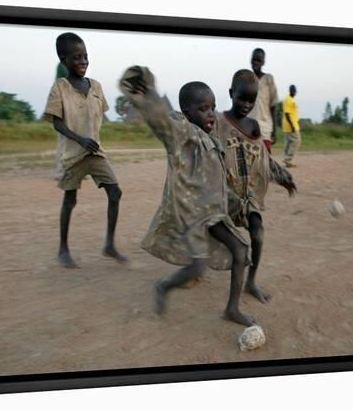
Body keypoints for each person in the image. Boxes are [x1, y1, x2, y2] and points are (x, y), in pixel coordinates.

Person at [119, 65, 258, 327]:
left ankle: (232, 309)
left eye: (213, 107)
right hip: (194, 217)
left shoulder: (212, 139)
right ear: (187, 113)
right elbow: (161, 119)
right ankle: (164, 286)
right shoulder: (182, 135)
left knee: (241, 250)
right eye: (203, 109)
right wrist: (147, 94)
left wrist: (238, 203)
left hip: (214, 213)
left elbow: (215, 181)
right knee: (197, 268)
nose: (210, 114)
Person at [44, 32, 127, 268]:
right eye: (76, 57)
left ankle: (109, 245)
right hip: (74, 154)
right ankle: (63, 249)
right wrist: (80, 139)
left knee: (115, 193)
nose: (83, 62)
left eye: (85, 57)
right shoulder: (60, 87)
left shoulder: (96, 86)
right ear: (64, 60)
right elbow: (57, 122)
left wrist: (91, 137)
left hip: (96, 152)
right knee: (70, 199)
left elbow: (99, 114)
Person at [216, 69, 296, 304]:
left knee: (258, 235)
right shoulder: (218, 123)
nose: (246, 104)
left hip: (247, 195)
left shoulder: (253, 127)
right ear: (231, 93)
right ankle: (193, 268)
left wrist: (283, 177)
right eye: (242, 98)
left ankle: (251, 281)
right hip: (222, 194)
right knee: (206, 234)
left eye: (251, 100)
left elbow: (263, 160)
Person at [248, 48, 279, 153]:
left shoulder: (268, 79)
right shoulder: (246, 78)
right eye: (254, 60)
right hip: (248, 126)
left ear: (263, 62)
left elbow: (273, 106)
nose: (255, 63)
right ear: (250, 60)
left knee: (265, 162)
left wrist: (274, 130)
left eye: (259, 60)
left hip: (265, 128)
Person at [282, 85, 301, 167]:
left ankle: (287, 161)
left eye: (295, 90)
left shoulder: (291, 99)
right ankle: (288, 160)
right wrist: (292, 125)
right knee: (297, 141)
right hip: (291, 125)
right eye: (293, 90)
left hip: (291, 125)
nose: (294, 92)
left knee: (289, 142)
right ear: (290, 91)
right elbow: (287, 114)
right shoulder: (288, 100)